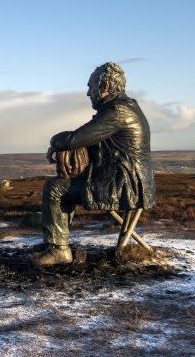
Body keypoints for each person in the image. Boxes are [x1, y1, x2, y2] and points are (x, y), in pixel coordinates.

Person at [30, 62, 155, 266]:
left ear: (104, 87)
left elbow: (75, 139)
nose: (88, 93)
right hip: (126, 182)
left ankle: (59, 249)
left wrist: (55, 141)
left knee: (54, 188)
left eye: (91, 87)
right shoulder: (121, 108)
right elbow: (84, 134)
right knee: (65, 186)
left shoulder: (117, 112)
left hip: (123, 187)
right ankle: (55, 242)